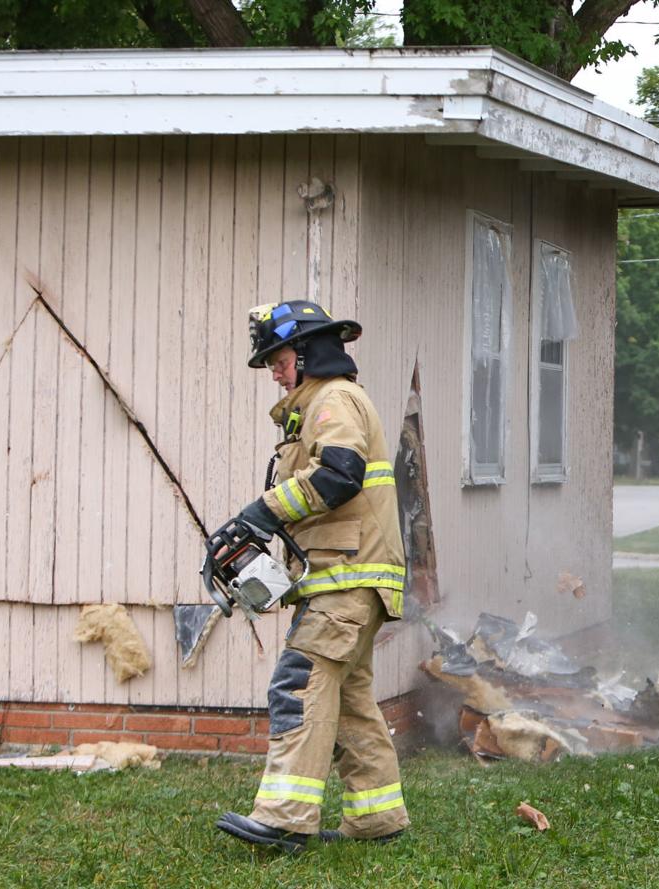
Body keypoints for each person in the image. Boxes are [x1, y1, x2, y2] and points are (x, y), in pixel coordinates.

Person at [214, 300, 410, 852]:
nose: (272, 372)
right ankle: (377, 819)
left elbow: (340, 475)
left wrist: (263, 511)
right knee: (349, 701)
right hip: (347, 574)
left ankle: (283, 818)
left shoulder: (334, 399)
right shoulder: (321, 405)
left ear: (305, 353)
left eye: (276, 359)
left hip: (348, 575)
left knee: (298, 684)